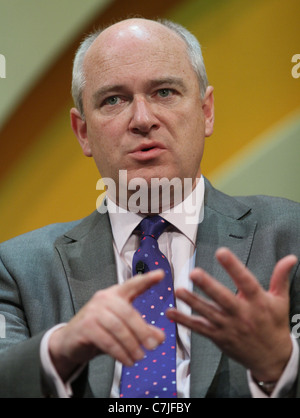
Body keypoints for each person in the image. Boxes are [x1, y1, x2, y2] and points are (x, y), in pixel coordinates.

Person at [0, 17, 300, 399]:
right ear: (83, 132)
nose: (142, 120)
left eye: (164, 92)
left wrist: (281, 367)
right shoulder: (18, 270)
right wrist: (56, 351)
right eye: (114, 100)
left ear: (206, 111)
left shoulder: (290, 237)